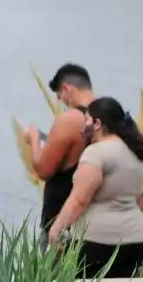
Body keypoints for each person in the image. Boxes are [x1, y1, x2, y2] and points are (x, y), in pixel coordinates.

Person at [47, 97, 143, 278]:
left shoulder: (96, 153)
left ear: (97, 123)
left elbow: (80, 199)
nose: (83, 125)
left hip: (96, 240)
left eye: (86, 120)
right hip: (135, 239)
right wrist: (129, 207)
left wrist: (57, 229)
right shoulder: (138, 151)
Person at [26, 63, 96, 232]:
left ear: (66, 88)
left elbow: (43, 170)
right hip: (98, 219)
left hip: (63, 221)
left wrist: (34, 140)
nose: (60, 100)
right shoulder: (113, 116)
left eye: (59, 94)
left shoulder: (69, 120)